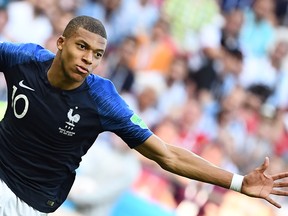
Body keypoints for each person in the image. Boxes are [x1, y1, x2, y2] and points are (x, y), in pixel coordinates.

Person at [0, 15, 288, 216]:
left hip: (28, 202)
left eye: (98, 54)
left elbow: (167, 155)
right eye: (82, 47)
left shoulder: (102, 100)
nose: (89, 59)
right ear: (61, 43)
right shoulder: (24, 59)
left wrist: (237, 182)